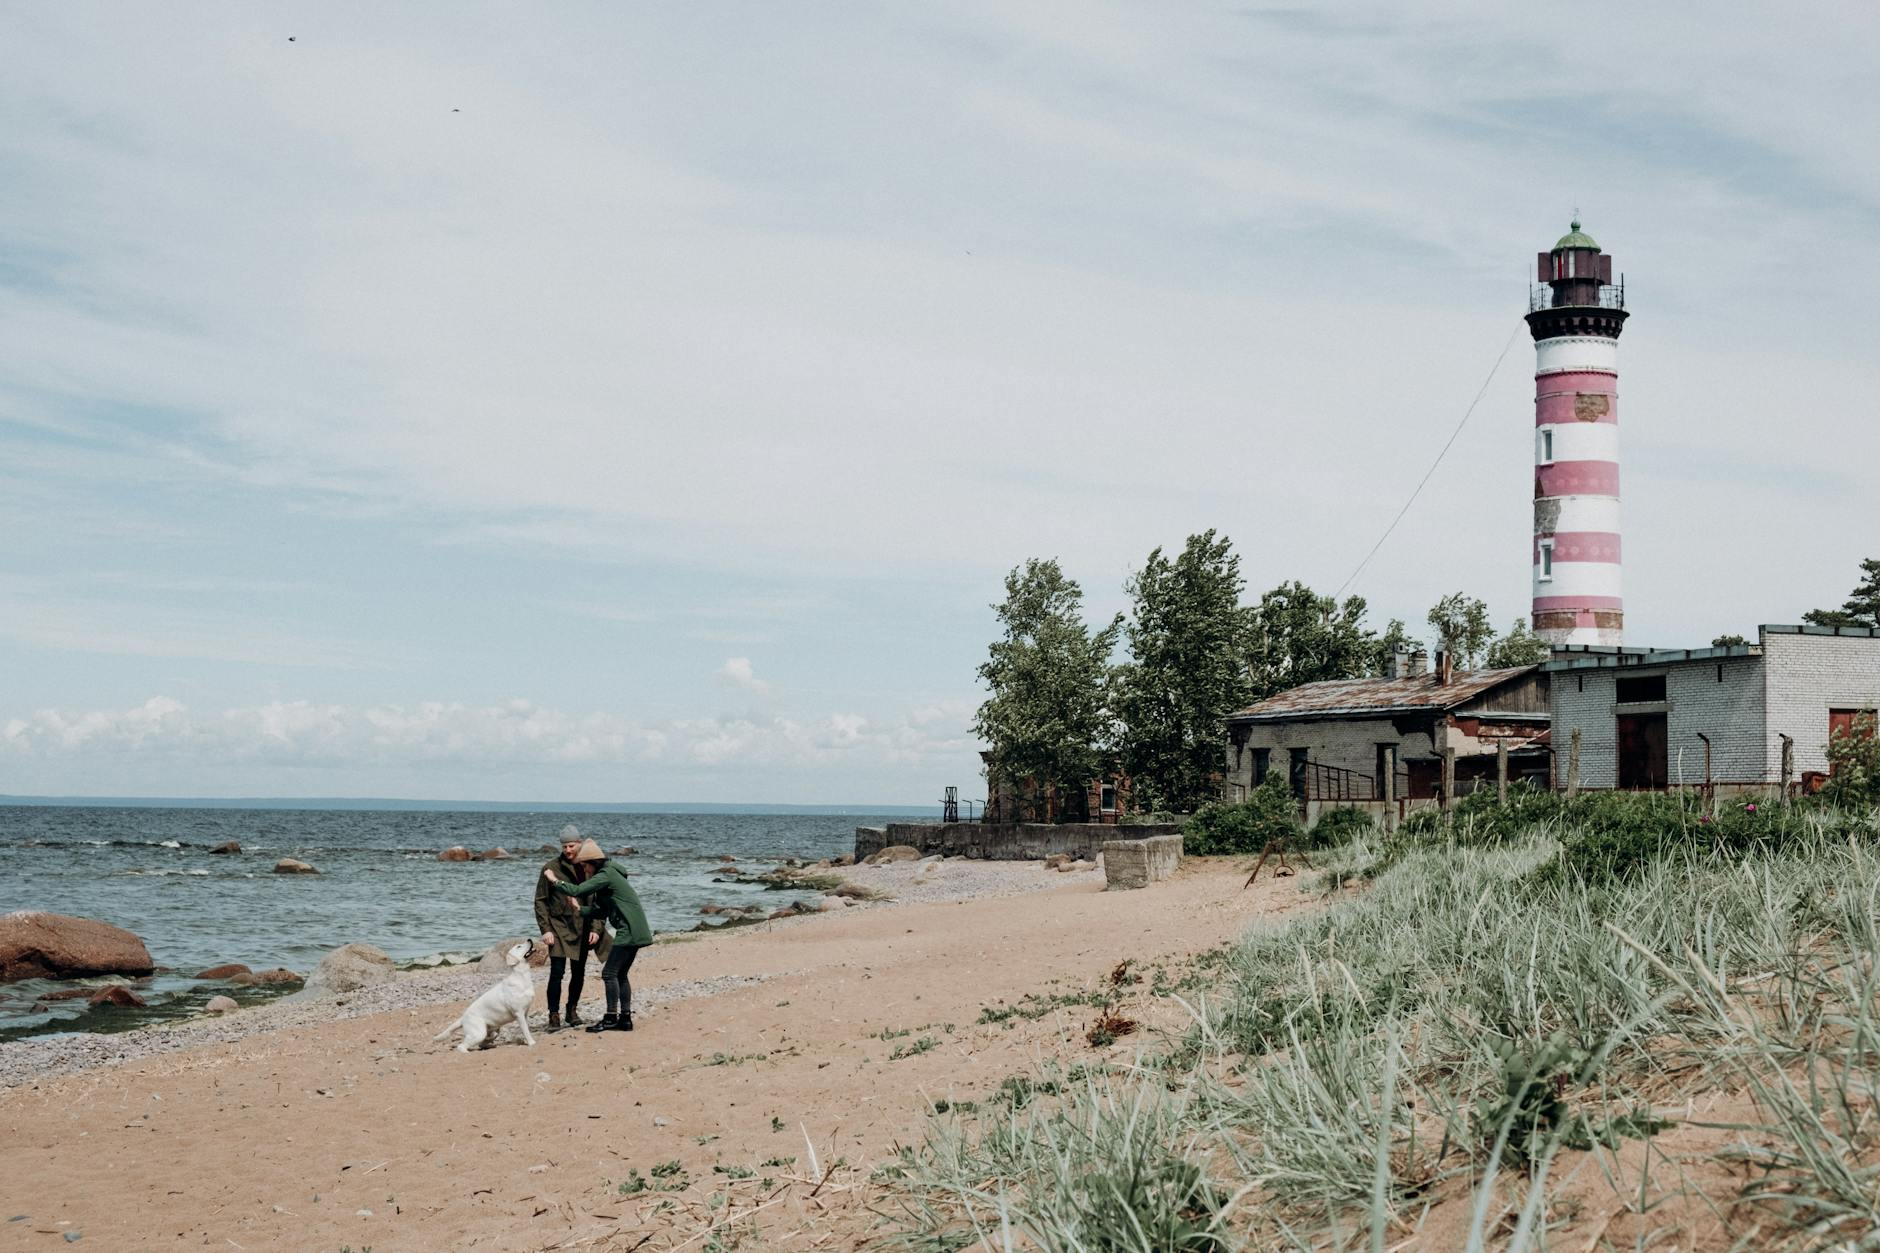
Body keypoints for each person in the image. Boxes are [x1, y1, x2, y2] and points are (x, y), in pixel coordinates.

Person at [544, 843, 651, 1032]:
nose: (585, 870)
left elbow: (577, 890)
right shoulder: (612, 874)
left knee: (609, 974)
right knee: (620, 974)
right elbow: (603, 911)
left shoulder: (605, 874)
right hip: (637, 929)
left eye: (585, 865)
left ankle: (610, 1018)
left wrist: (554, 880)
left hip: (628, 931)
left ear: (593, 862)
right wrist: (580, 909)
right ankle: (625, 1019)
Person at [533, 825, 610, 1031]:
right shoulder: (550, 868)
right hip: (558, 927)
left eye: (571, 846)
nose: (568, 850)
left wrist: (596, 928)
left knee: (578, 972)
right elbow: (540, 901)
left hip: (583, 927)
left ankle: (572, 1010)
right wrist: (545, 930)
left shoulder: (590, 867)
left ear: (580, 844)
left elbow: (600, 902)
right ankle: (553, 1015)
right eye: (564, 846)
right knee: (556, 972)